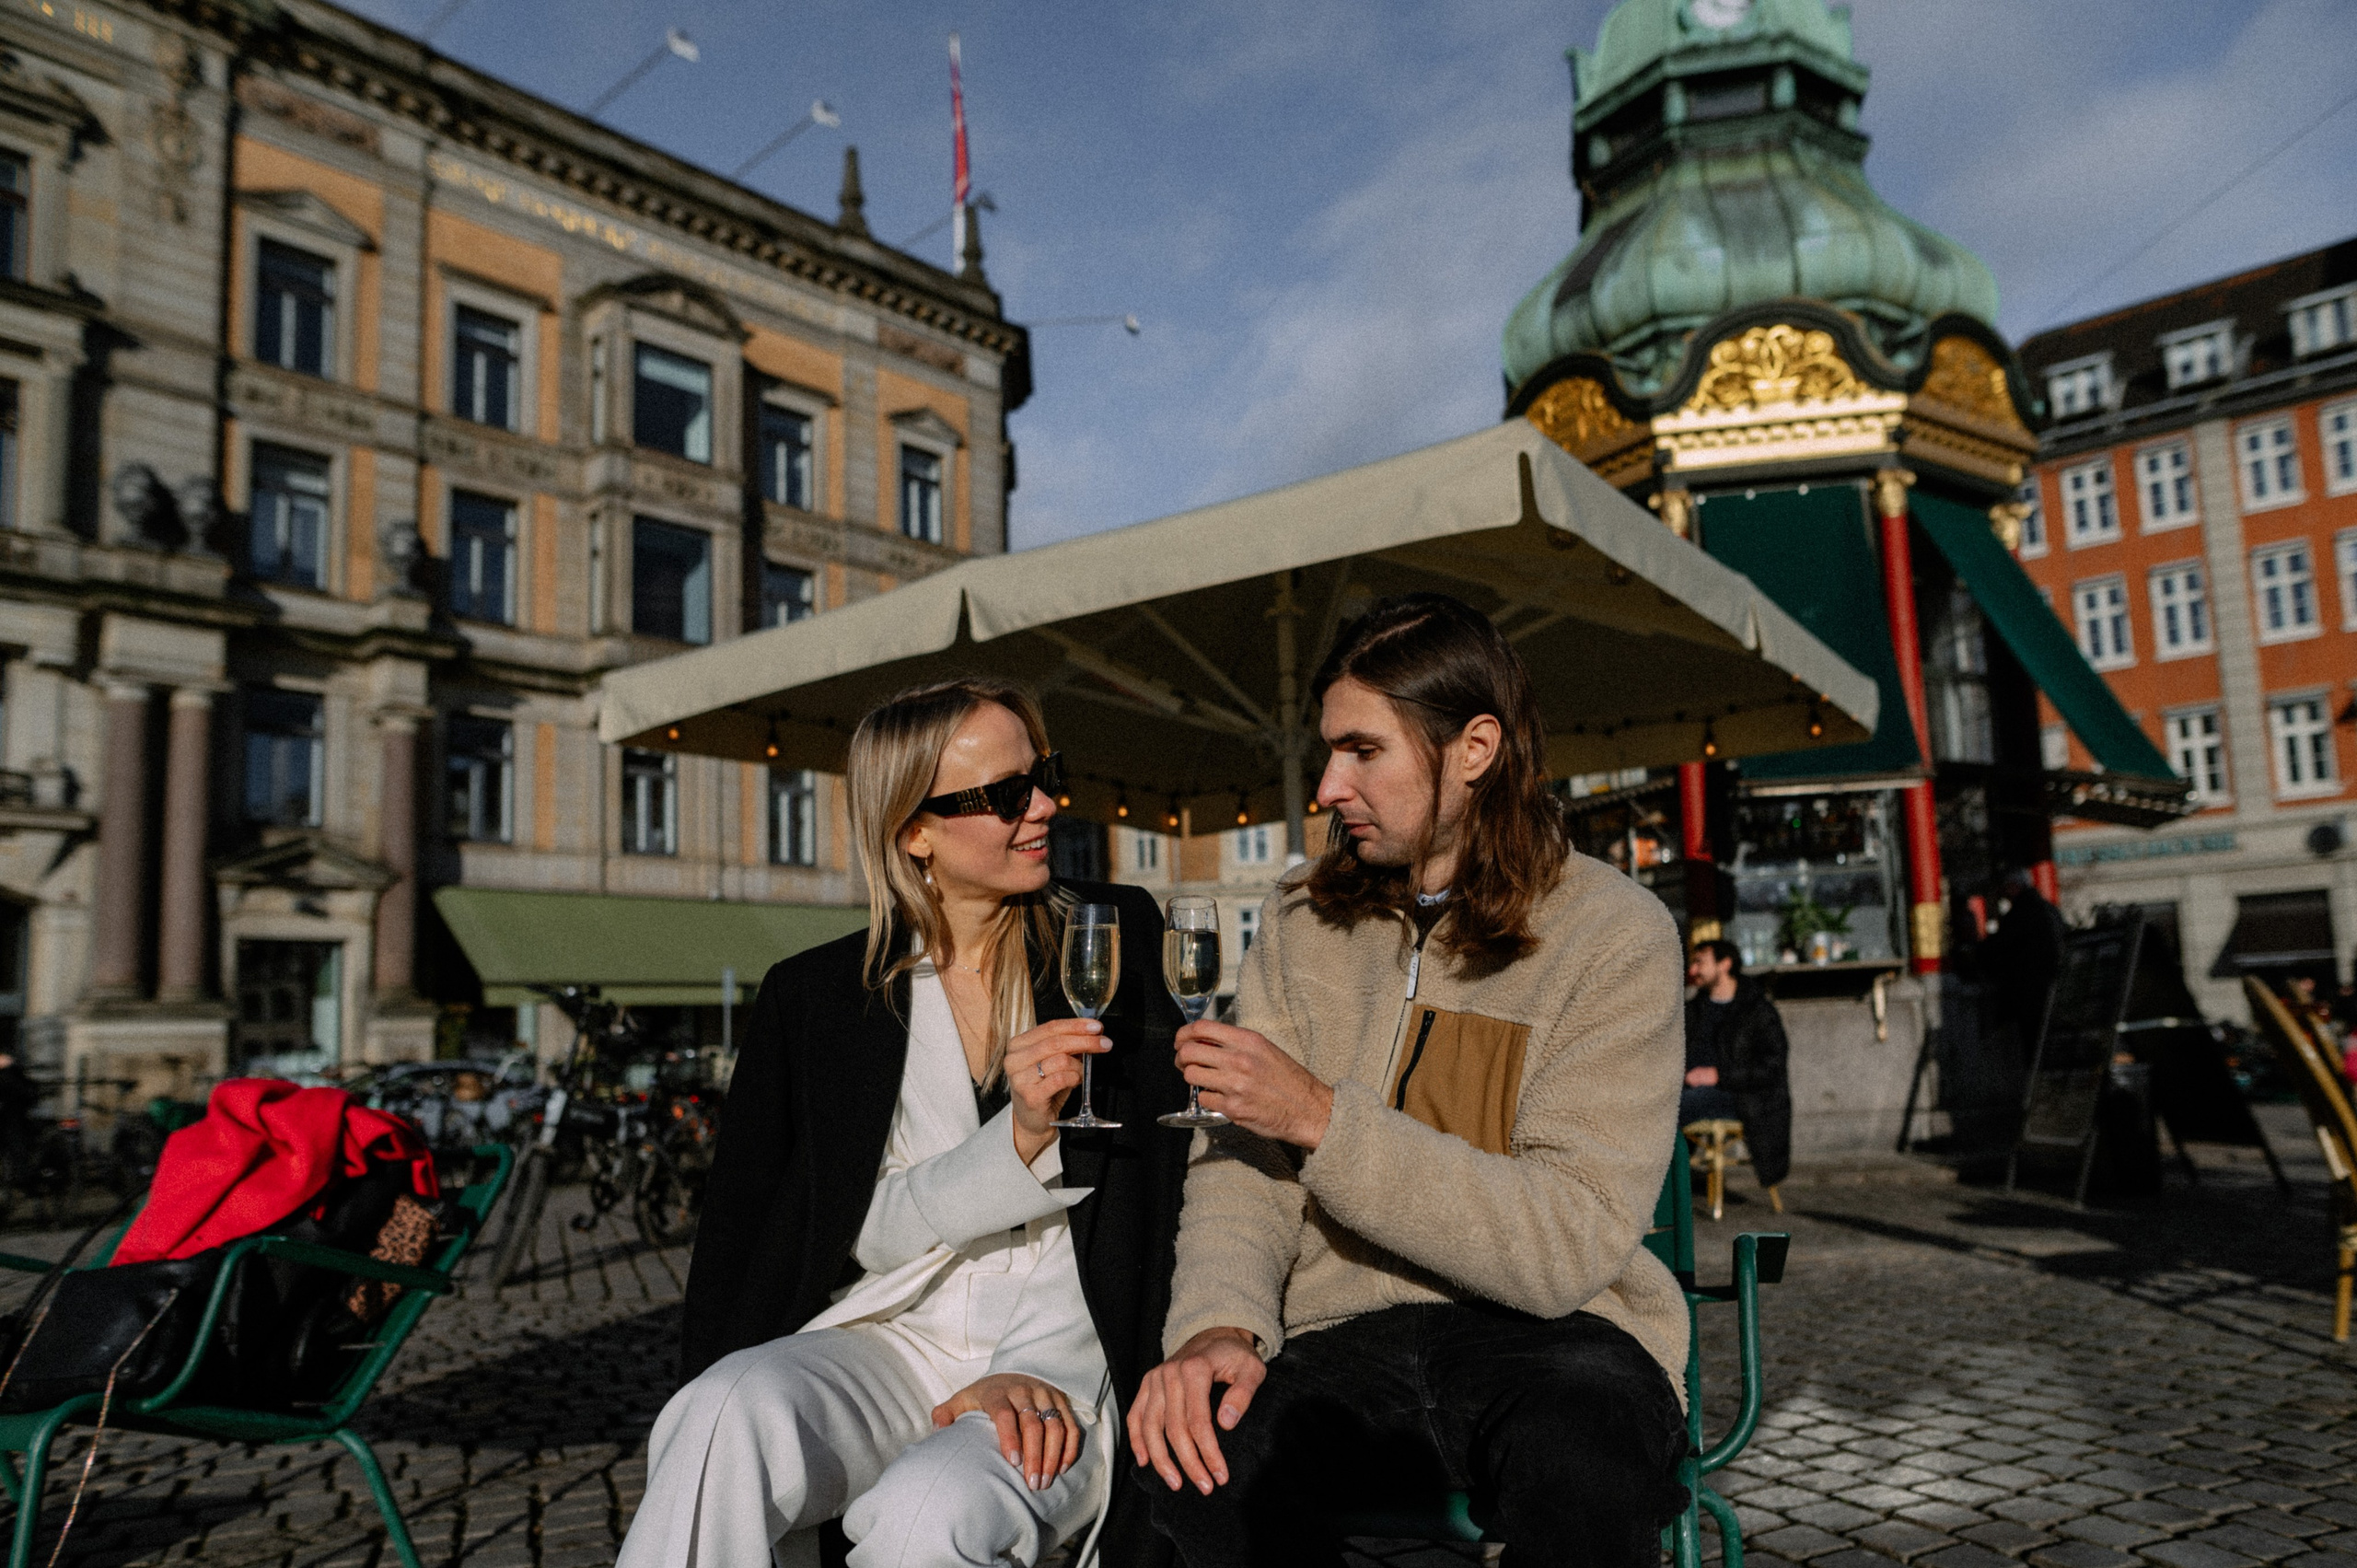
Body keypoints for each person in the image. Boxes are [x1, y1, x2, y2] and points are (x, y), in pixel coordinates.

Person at [1127, 594, 1690, 1568]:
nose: (1329, 785)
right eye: (1329, 751)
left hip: (1559, 1337)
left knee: (1583, 1452)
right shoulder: (1304, 918)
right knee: (1189, 1454)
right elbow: (1238, 1166)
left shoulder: (1612, 933)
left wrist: (1320, 1117)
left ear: (1474, 748)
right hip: (1339, 1334)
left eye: (1363, 751)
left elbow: (1566, 1241)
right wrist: (1219, 1324)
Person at [620, 678, 1189, 1568]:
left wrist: (1045, 1367)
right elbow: (842, 1231)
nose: (1046, 804)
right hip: (889, 1341)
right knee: (718, 1409)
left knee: (932, 1512)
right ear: (913, 831)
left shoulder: (1112, 939)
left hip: (1060, 1361)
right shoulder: (818, 998)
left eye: (1043, 775)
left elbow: (1153, 1202)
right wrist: (1016, 1142)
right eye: (1006, 794)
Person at [1680, 939, 1793, 1192]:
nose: (1694, 970)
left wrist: (1718, 1075)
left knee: (1669, 1110)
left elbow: (1772, 1067)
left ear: (1725, 964)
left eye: (1701, 962)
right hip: (1692, 1090)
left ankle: (1661, 1188)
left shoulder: (1757, 1010)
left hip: (1746, 1097)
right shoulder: (1693, 1010)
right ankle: (1665, 1183)